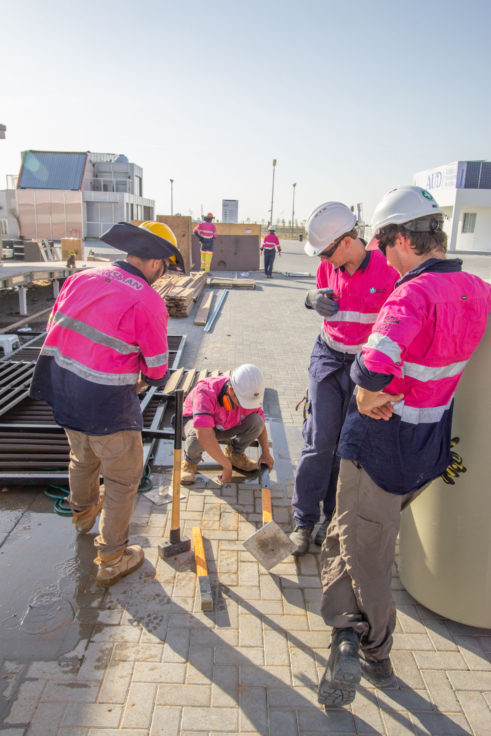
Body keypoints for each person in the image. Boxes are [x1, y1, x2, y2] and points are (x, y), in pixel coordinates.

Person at [317, 185, 491, 709]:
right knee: (347, 533)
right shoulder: (477, 288)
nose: (385, 254)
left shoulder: (411, 294)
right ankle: (348, 637)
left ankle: (368, 647)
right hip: (429, 445)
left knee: (363, 547)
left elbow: (371, 366)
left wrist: (370, 389)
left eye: (384, 242)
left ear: (399, 239)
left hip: (380, 445)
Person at [30, 221, 185, 588]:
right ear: (156, 263)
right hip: (106, 403)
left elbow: (57, 326)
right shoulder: (147, 300)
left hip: (63, 388)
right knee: (122, 478)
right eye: (164, 267)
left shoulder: (84, 277)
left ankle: (83, 516)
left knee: (82, 457)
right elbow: (159, 369)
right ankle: (113, 558)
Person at [290, 202, 398, 556]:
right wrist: (309, 300)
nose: (322, 259)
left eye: (325, 251)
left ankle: (330, 518)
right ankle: (302, 521)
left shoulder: (388, 269)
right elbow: (319, 297)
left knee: (346, 447)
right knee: (319, 441)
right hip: (327, 356)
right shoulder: (327, 266)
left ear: (347, 241)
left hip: (363, 367)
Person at [180, 363, 274, 485]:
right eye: (243, 403)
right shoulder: (205, 391)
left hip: (224, 425)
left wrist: (266, 453)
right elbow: (203, 434)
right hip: (196, 424)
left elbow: (260, 426)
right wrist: (226, 466)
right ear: (231, 390)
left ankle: (235, 455)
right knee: (197, 436)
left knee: (257, 421)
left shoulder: (248, 394)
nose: (246, 407)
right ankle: (190, 462)